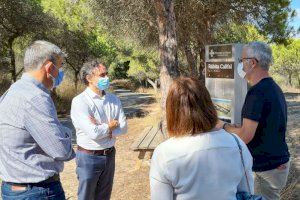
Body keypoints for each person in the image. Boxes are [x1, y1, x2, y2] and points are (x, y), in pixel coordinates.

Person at [150, 77, 254, 200]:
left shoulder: (164, 154)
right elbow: (247, 193)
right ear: (208, 105)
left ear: (171, 111)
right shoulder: (237, 144)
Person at [0, 40, 75, 199]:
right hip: (38, 192)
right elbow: (62, 150)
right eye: (60, 67)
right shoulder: (35, 97)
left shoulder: (12, 92)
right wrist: (66, 132)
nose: (60, 73)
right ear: (49, 67)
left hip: (13, 189)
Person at [218, 41, 290, 200]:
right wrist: (235, 127)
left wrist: (222, 125)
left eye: (242, 60)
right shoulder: (273, 88)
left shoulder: (257, 93)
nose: (240, 64)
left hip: (266, 169)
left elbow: (245, 136)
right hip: (275, 164)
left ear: (252, 63)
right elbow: (265, 127)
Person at [71, 60, 127, 200]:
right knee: (86, 197)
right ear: (89, 78)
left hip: (109, 155)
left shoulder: (114, 99)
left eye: (107, 74)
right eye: (102, 75)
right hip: (89, 158)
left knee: (104, 197)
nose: (106, 78)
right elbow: (93, 133)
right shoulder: (80, 101)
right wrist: (110, 126)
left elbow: (124, 127)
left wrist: (101, 128)